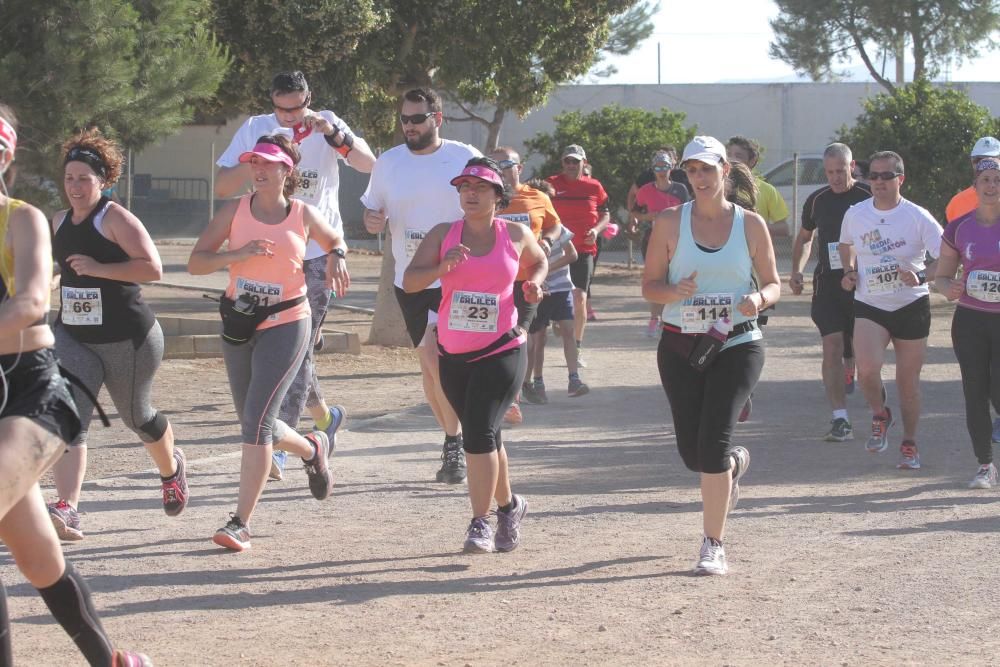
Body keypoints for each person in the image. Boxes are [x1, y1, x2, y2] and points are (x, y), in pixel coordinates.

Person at [0, 103, 151, 667]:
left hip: (30, 395)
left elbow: (32, 303)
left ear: (6, 153)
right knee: (38, 558)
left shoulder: (22, 218)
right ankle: (111, 659)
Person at [189, 134, 347, 551]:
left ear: (286, 171)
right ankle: (313, 448)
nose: (258, 169)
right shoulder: (234, 210)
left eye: (268, 163)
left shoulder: (303, 214)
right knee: (253, 419)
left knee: (256, 424)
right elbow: (196, 261)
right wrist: (234, 255)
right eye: (254, 162)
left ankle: (240, 521)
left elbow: (335, 240)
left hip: (288, 321)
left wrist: (338, 257)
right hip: (240, 320)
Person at [215, 70, 375, 481]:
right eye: (281, 108)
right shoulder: (255, 128)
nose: (288, 117)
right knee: (276, 345)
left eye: (297, 108)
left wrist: (336, 135)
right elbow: (221, 186)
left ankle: (278, 445)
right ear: (271, 101)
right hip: (267, 254)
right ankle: (326, 416)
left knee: (295, 347)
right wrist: (253, 159)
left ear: (310, 99)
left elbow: (369, 164)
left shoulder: (327, 124)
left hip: (318, 252)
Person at [642, 136, 780, 576]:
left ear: (725, 170)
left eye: (707, 169)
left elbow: (774, 283)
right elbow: (649, 287)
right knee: (693, 455)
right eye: (692, 170)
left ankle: (713, 544)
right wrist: (673, 292)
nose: (699, 178)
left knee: (713, 443)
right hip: (681, 342)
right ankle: (733, 465)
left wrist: (757, 299)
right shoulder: (668, 222)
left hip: (737, 341)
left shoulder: (750, 224)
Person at [403, 157, 546, 553]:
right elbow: (410, 282)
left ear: (497, 195)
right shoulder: (443, 234)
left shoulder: (514, 234)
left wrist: (532, 284)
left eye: (480, 187)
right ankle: (509, 506)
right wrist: (439, 267)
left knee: (478, 434)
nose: (470, 192)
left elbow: (539, 261)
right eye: (464, 186)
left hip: (501, 348)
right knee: (489, 437)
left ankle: (479, 522)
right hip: (453, 352)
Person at [47, 129, 185, 542]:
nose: (75, 187)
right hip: (73, 335)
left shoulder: (115, 218)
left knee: (136, 417)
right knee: (68, 417)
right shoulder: (57, 221)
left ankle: (171, 470)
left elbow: (152, 268)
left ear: (103, 180)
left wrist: (99, 268)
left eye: (84, 179)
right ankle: (68, 507)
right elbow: (63, 270)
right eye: (69, 178)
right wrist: (48, 283)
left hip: (128, 338)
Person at [362, 87, 481, 484]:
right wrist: (372, 221)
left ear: (437, 119)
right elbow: (371, 209)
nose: (409, 126)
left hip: (457, 275)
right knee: (429, 364)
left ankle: (457, 442)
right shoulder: (388, 162)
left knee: (442, 360)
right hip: (410, 278)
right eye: (404, 119)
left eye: (417, 119)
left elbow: (490, 200)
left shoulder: (463, 157)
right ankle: (454, 438)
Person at [838, 151, 942, 470]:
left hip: (911, 304)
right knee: (867, 369)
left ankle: (909, 443)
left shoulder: (918, 216)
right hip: (870, 303)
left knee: (907, 383)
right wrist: (848, 270)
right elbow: (845, 244)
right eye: (874, 176)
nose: (879, 182)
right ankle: (880, 415)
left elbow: (945, 259)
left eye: (886, 176)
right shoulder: (856, 213)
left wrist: (922, 275)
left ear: (901, 179)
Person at [790, 143, 872, 442]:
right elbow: (805, 238)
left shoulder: (868, 196)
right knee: (832, 346)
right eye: (829, 172)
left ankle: (871, 392)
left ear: (851, 167)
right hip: (828, 284)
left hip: (863, 283)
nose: (835, 177)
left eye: (840, 171)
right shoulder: (817, 200)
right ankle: (840, 419)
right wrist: (797, 271)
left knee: (863, 351)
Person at [935, 158, 1000, 488]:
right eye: (985, 180)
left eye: (997, 180)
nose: (991, 186)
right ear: (974, 187)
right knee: (974, 391)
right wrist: (951, 288)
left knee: (997, 389)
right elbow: (941, 277)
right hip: (971, 320)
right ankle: (985, 464)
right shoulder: (959, 227)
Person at [490, 146, 563, 422]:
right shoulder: (490, 198)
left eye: (507, 164)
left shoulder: (537, 197)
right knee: (496, 339)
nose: (502, 170)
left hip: (527, 281)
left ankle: (513, 398)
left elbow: (555, 225)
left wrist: (546, 241)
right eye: (495, 165)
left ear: (519, 168)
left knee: (518, 337)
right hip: (494, 282)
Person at [546, 145, 610, 367]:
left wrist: (597, 230)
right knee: (550, 295)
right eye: (567, 161)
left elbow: (605, 213)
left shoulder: (594, 186)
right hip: (556, 250)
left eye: (575, 161)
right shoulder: (551, 184)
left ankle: (577, 345)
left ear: (584, 162)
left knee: (580, 297)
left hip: (584, 249)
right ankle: (557, 318)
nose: (571, 166)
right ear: (562, 163)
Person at [525, 214, 587, 400]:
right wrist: (537, 278)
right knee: (539, 338)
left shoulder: (559, 229)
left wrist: (545, 269)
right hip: (539, 291)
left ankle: (574, 379)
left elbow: (572, 254)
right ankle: (538, 382)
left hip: (562, 288)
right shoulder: (526, 231)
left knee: (568, 330)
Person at [631, 149, 690, 337]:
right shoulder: (645, 191)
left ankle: (671, 321)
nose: (661, 170)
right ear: (653, 169)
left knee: (675, 278)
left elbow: (689, 212)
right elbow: (634, 212)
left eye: (665, 166)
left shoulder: (680, 189)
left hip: (678, 240)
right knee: (656, 280)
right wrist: (646, 216)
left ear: (671, 167)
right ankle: (654, 320)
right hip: (653, 239)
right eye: (657, 166)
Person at [726, 136, 789, 237]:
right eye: (728, 155)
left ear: (752, 160)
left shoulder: (767, 190)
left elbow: (783, 228)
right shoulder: (716, 188)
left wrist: (754, 225)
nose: (731, 159)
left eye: (738, 156)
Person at [945, 136, 1000, 225]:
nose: (984, 166)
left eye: (991, 161)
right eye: (978, 160)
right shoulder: (956, 204)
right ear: (972, 163)